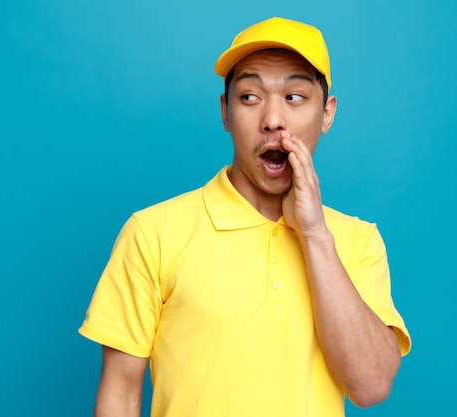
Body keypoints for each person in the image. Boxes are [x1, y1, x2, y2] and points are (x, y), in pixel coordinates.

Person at [79, 16, 411, 417]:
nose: (273, 120)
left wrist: (315, 236)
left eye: (295, 97)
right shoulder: (152, 233)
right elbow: (120, 392)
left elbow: (372, 386)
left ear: (327, 114)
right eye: (250, 97)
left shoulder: (358, 240)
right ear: (225, 111)